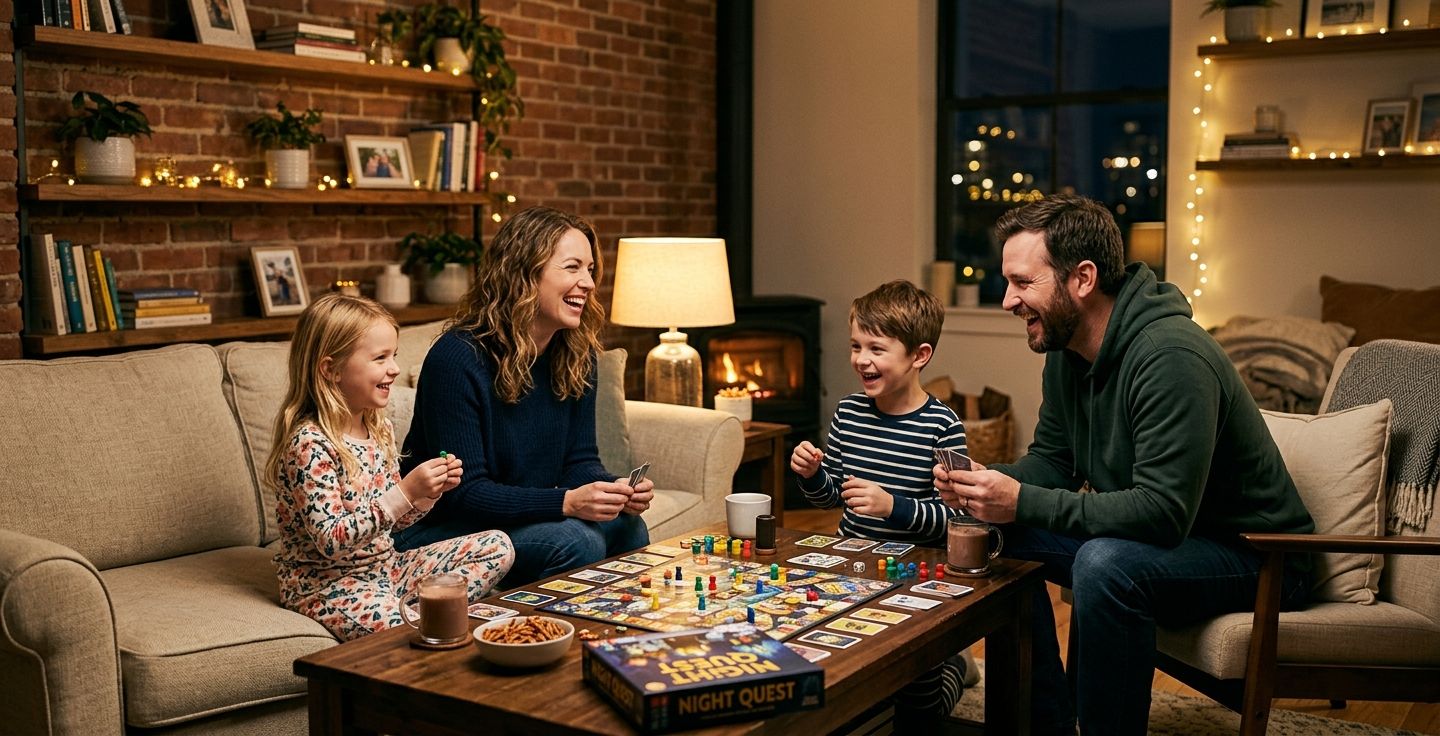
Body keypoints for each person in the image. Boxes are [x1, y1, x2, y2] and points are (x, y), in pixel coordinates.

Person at [934, 194, 1314, 734]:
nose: (1006, 300)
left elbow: (1162, 512)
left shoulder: (1171, 357)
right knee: (1001, 531)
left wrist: (1020, 499)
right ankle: (1046, 721)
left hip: (1257, 556)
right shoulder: (1067, 352)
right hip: (1173, 541)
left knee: (1106, 564)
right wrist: (986, 487)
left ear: (1082, 279)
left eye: (1022, 282)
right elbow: (1052, 461)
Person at [393, 206, 653, 585]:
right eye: (572, 267)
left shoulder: (576, 354)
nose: (589, 283)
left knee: (628, 527)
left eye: (590, 269)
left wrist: (611, 490)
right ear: (525, 274)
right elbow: (465, 493)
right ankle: (535, 639)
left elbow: (579, 460)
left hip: (517, 520)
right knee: (575, 541)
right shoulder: (457, 358)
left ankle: (605, 636)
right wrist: (566, 502)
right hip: (444, 529)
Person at [266, 293, 514, 641]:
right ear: (330, 369)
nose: (394, 368)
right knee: (413, 632)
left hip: (387, 568)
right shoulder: (310, 444)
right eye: (380, 358)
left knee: (498, 546)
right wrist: (406, 491)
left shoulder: (377, 426)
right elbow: (331, 540)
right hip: (328, 586)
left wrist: (426, 496)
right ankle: (418, 617)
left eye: (393, 356)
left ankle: (416, 612)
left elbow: (392, 521)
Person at [790, 279, 971, 724]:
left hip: (919, 571)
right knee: (849, 673)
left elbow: (958, 519)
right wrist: (814, 475)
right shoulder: (849, 413)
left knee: (919, 708)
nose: (861, 360)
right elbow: (833, 495)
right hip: (852, 562)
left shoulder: (942, 425)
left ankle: (954, 667)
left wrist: (894, 506)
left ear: (919, 356)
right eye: (855, 346)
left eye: (876, 348)